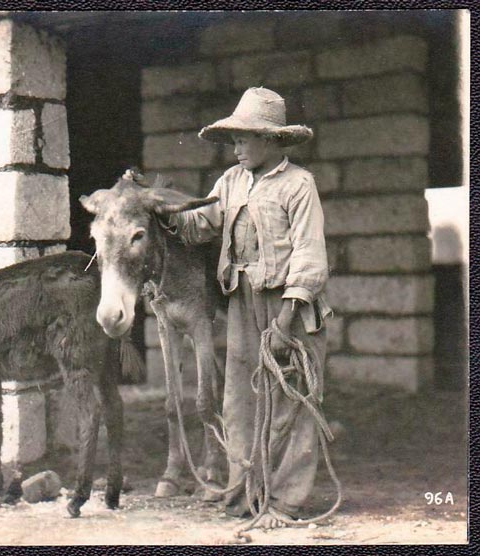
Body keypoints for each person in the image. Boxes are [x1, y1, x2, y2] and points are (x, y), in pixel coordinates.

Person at [169, 87, 333, 529]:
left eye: (243, 139)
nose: (236, 149)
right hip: (241, 301)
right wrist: (163, 211)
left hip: (288, 306)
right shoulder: (231, 182)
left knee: (290, 398)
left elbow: (310, 255)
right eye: (234, 141)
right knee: (240, 395)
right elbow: (202, 224)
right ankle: (247, 490)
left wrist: (285, 320)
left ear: (270, 140)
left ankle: (284, 501)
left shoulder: (299, 184)